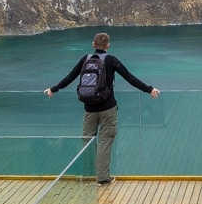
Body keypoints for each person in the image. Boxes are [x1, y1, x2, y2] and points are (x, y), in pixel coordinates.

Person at [44, 32, 160, 185]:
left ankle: (88, 175)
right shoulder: (111, 60)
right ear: (108, 46)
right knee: (105, 142)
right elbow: (129, 77)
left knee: (87, 142)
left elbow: (70, 76)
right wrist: (149, 89)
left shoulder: (85, 59)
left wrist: (54, 89)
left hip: (89, 109)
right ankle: (103, 178)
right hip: (108, 108)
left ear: (93, 44)